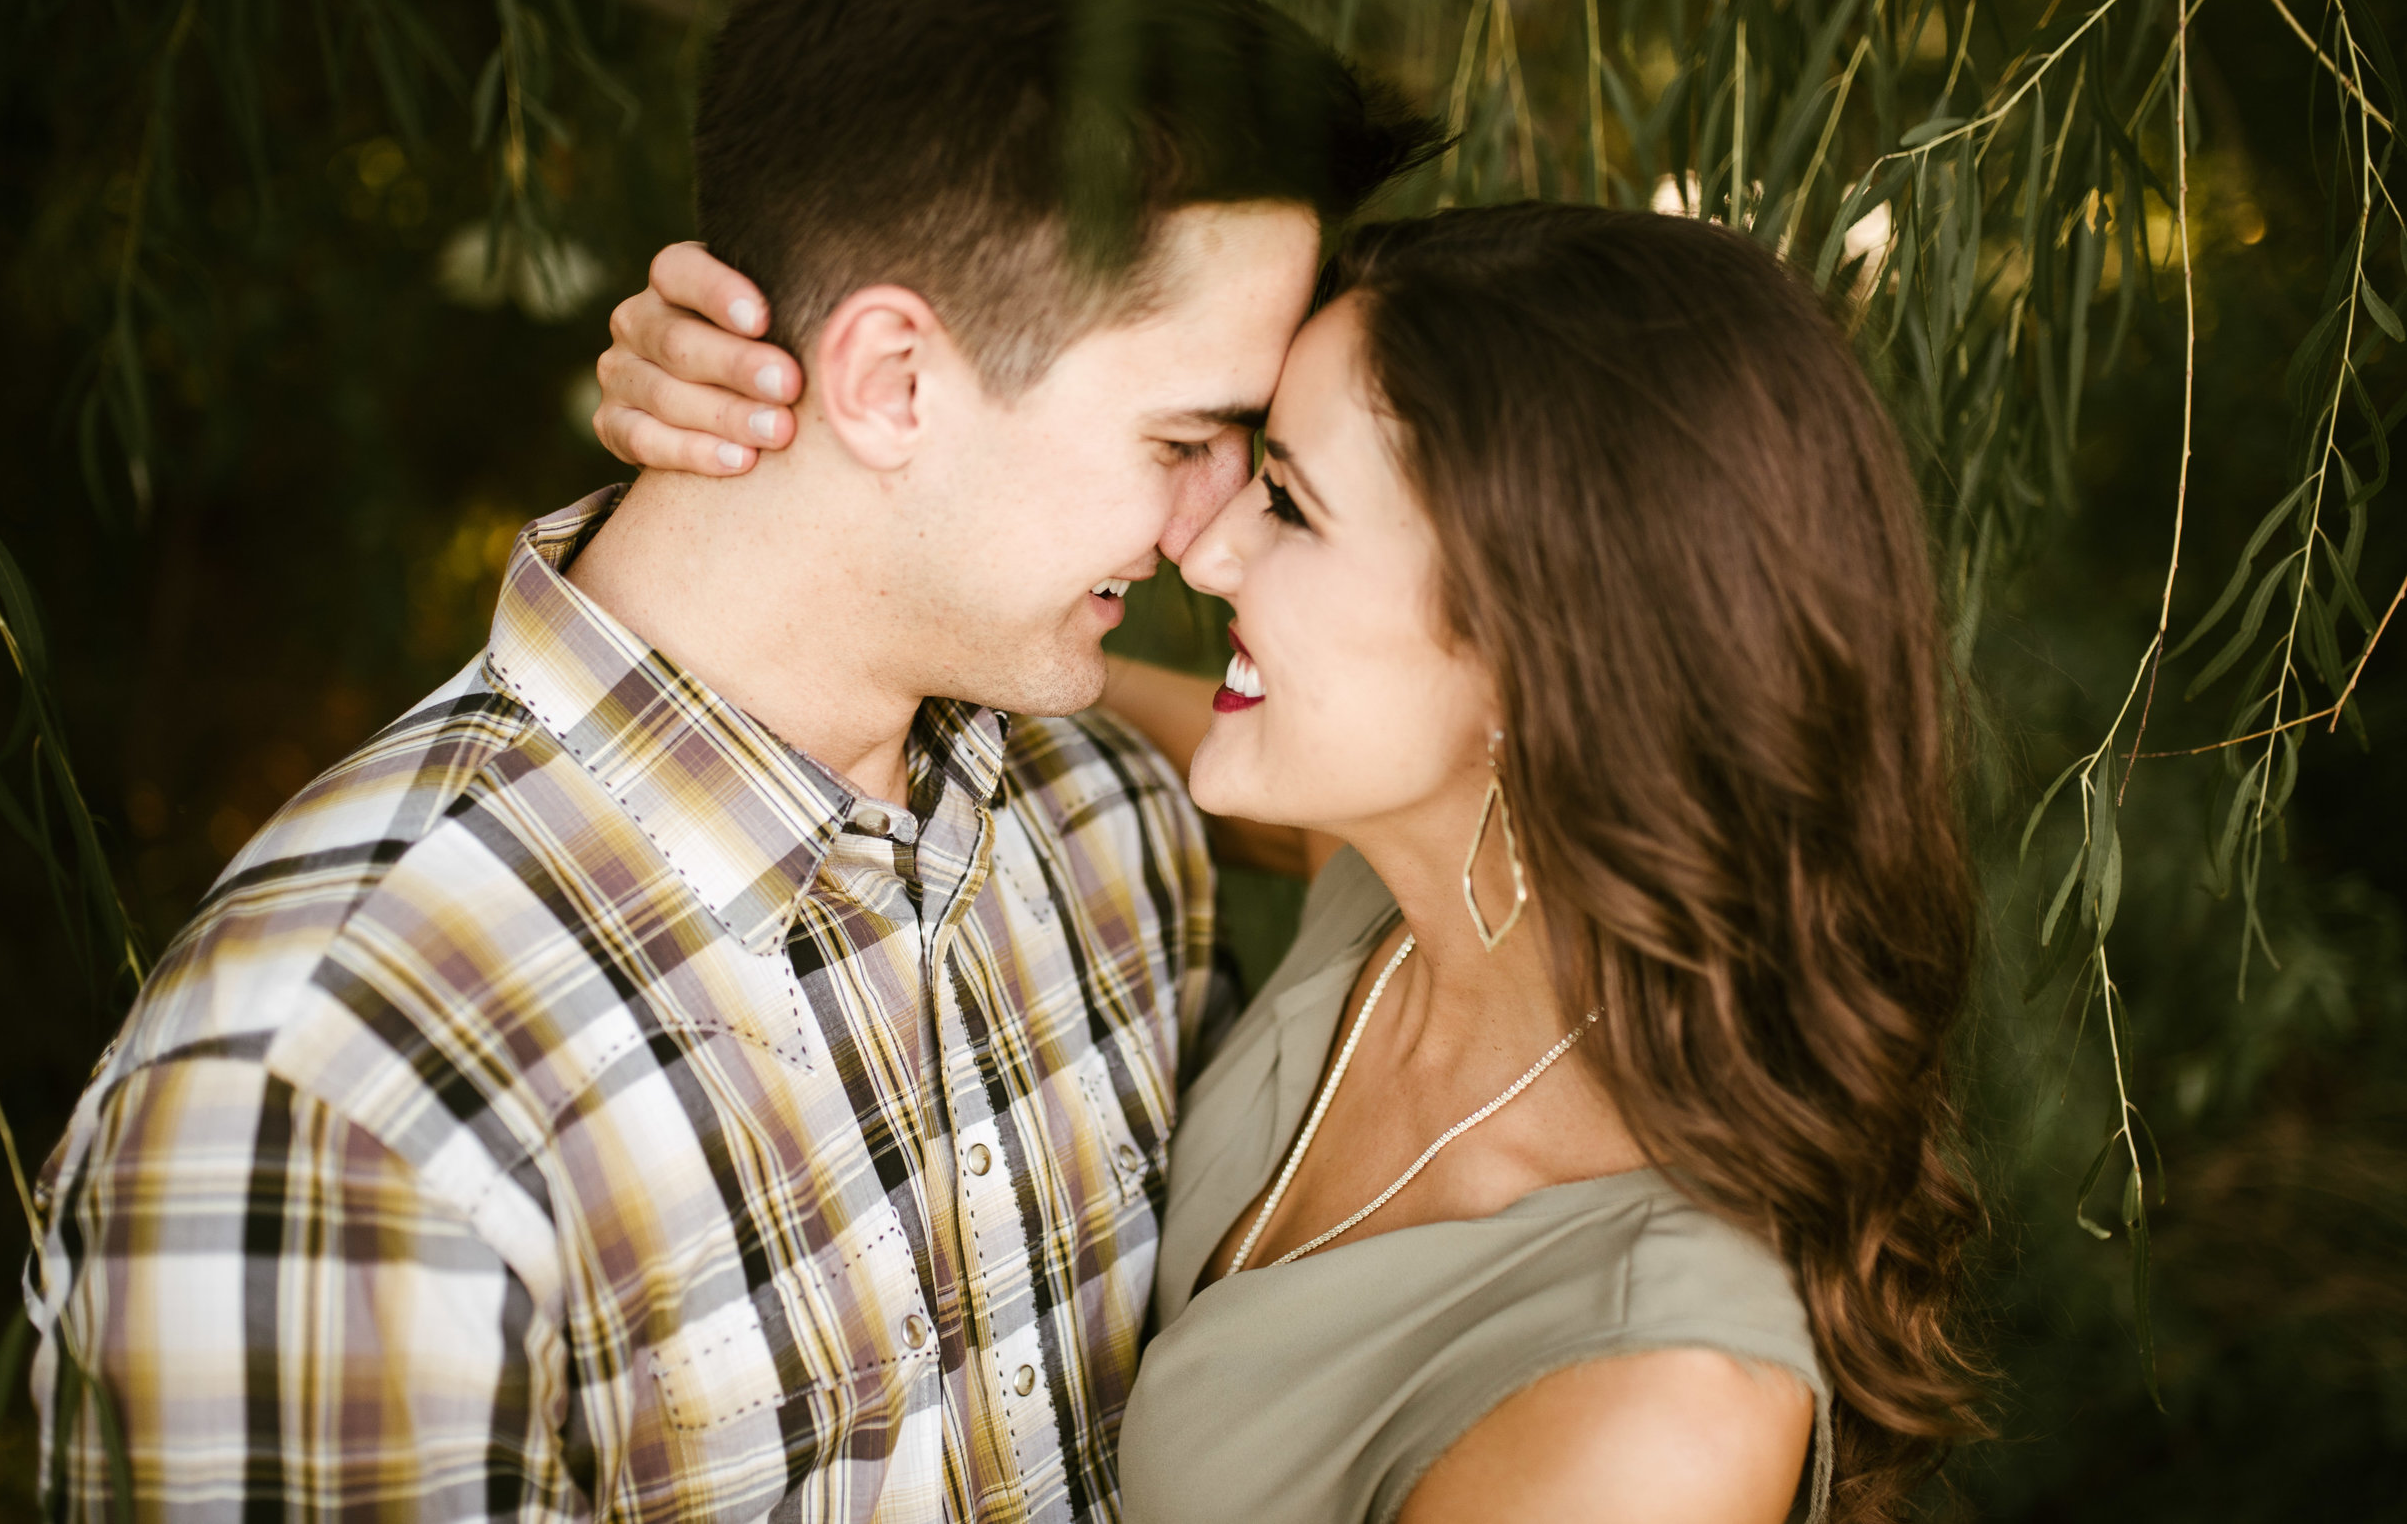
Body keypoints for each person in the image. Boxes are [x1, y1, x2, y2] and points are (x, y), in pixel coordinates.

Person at [22, 0, 1438, 1522]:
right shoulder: (333, 1105)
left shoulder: (1109, 823)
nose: (1210, 531)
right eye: (1183, 440)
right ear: (893, 378)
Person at [594, 204, 1988, 1520]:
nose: (1204, 547)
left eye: (1294, 504)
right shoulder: (1410, 879)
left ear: (1538, 654)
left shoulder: (1654, 1410)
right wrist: (778, 481)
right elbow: (1072, 698)